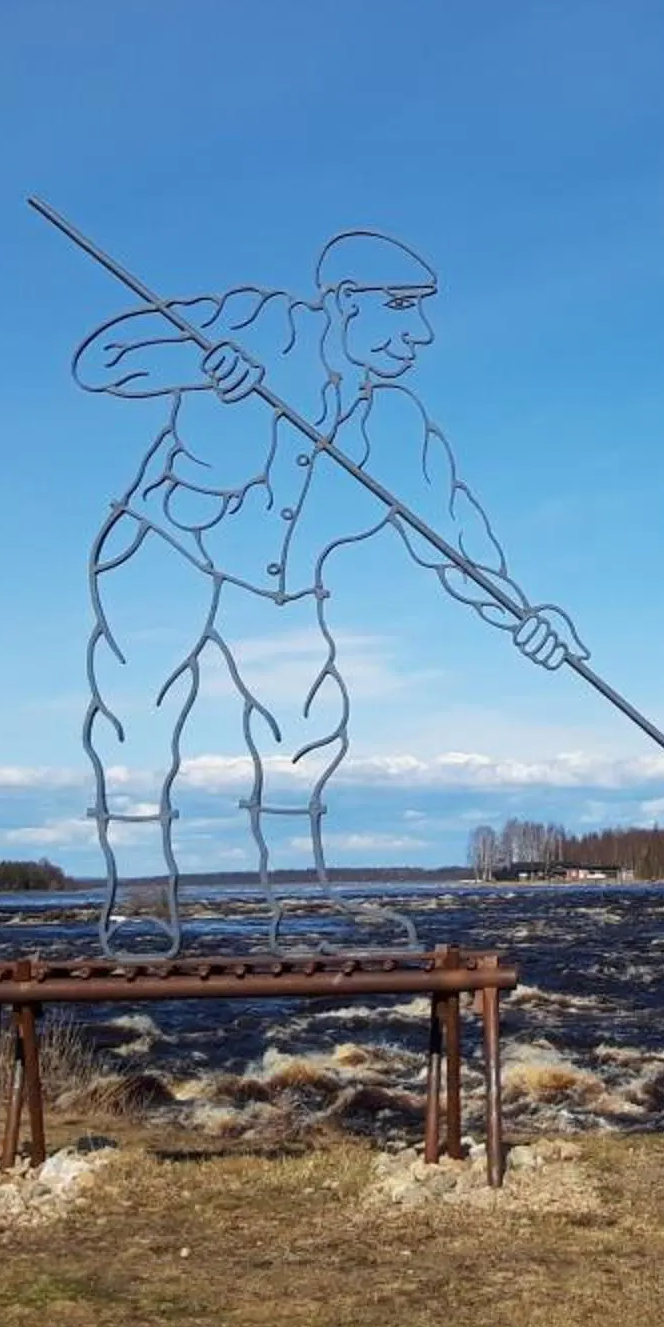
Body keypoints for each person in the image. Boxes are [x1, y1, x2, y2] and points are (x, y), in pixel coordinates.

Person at [71, 230, 583, 954]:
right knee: (139, 720)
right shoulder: (256, 322)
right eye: (402, 307)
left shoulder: (394, 423)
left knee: (303, 726)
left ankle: (301, 906)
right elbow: (104, 359)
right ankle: (145, 909)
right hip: (168, 551)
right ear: (345, 303)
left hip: (277, 585)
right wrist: (198, 361)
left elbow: (455, 537)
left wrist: (523, 615)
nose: (422, 332)